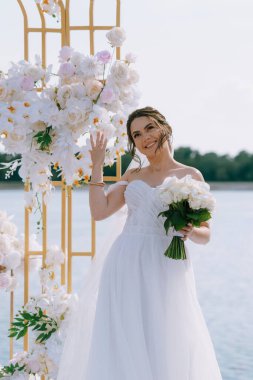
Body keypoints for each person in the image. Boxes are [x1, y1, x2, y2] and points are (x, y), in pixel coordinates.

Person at [57, 106, 222, 380]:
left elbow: (206, 234)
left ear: (164, 127)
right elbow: (100, 212)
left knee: (167, 336)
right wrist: (97, 164)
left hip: (166, 264)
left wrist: (190, 230)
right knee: (124, 336)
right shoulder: (133, 175)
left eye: (149, 128)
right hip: (125, 262)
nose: (144, 137)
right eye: (136, 134)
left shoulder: (190, 176)